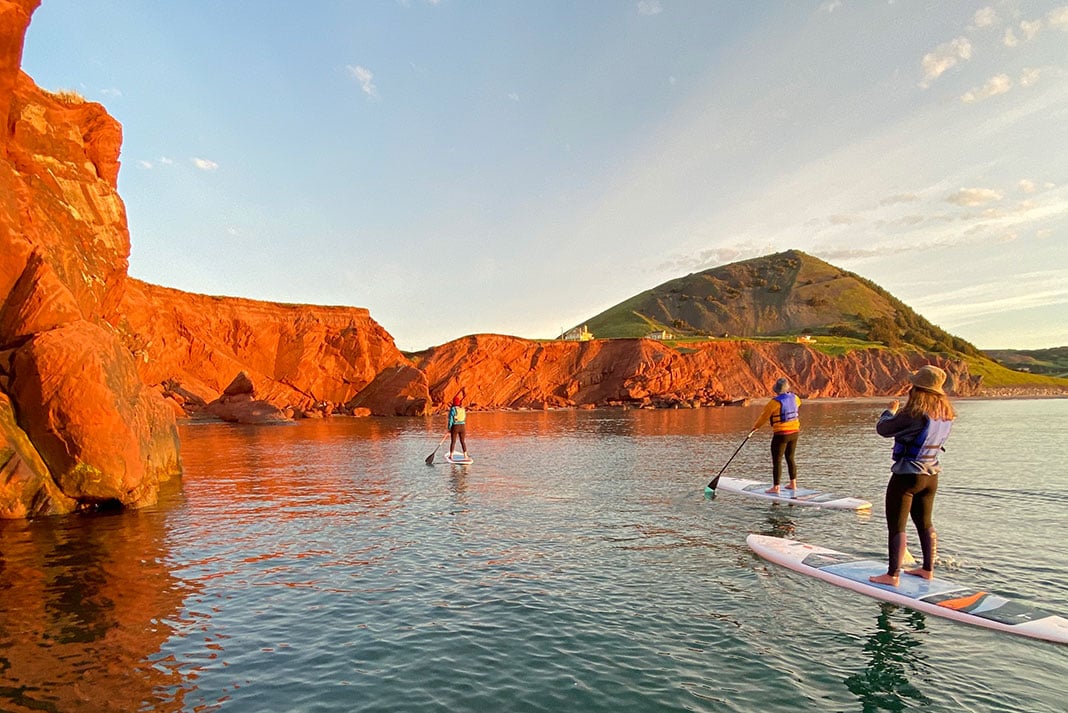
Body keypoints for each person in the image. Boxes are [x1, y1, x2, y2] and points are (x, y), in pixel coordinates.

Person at [869, 365, 955, 587]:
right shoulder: (946, 414)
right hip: (931, 476)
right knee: (925, 523)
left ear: (916, 388)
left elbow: (884, 429)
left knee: (897, 525)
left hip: (907, 476)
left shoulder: (914, 413)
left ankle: (892, 575)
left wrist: (889, 411)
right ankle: (928, 570)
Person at [752, 377, 801, 494]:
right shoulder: (796, 398)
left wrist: (755, 427)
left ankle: (776, 487)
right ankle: (793, 484)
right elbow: (797, 405)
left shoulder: (773, 403)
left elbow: (763, 417)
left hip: (781, 434)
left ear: (776, 390)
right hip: (794, 432)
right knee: (790, 458)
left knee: (777, 460)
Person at [447, 391, 468, 460]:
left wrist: (449, 428)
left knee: (453, 441)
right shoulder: (462, 409)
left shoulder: (453, 409)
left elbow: (450, 420)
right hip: (462, 427)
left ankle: (451, 455)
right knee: (462, 441)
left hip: (455, 427)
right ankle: (465, 456)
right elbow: (464, 418)